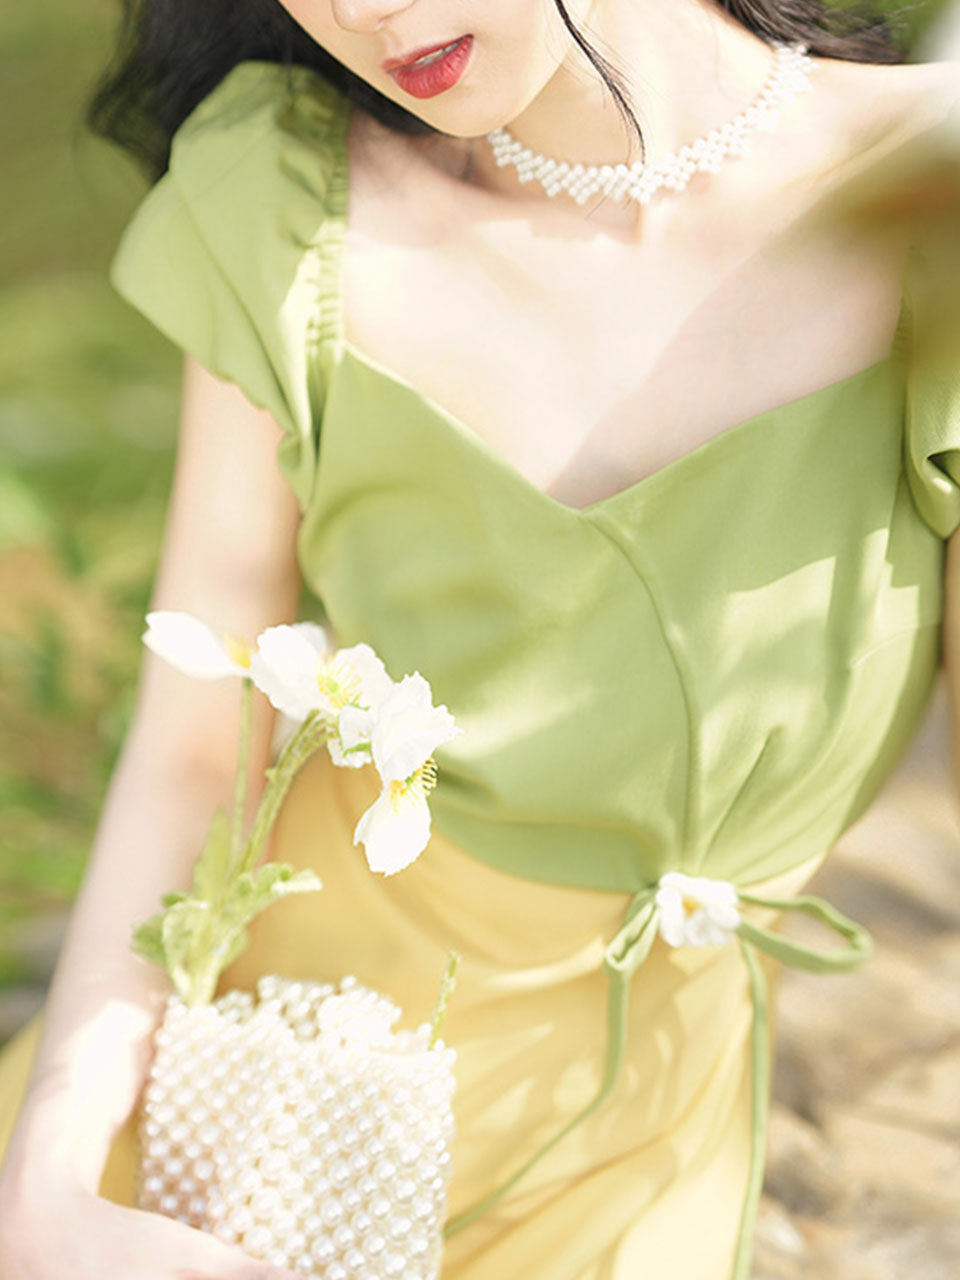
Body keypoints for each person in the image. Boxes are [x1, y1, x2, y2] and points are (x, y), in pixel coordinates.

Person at [1, 1, 959, 1277]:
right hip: (277, 1075)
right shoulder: (290, 201)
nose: (360, 12)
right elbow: (193, 750)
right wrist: (49, 1180)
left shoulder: (924, 207)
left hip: (641, 1140)